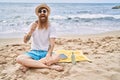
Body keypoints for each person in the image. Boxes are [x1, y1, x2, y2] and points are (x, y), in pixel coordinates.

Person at [16, 4, 63, 72]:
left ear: (47, 13)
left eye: (44, 11)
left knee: (58, 56)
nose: (42, 13)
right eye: (40, 11)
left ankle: (30, 64)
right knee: (19, 59)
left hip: (46, 52)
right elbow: (25, 41)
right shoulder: (32, 25)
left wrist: (48, 54)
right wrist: (31, 31)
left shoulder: (51, 27)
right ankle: (49, 67)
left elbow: (51, 44)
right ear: (37, 14)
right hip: (34, 52)